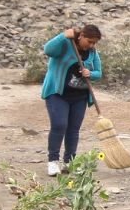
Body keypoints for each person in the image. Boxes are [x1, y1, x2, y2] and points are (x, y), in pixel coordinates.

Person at [40, 25, 103, 177]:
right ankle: (53, 161)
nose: (92, 45)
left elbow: (99, 73)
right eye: (89, 41)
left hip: (79, 97)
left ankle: (69, 162)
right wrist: (62, 36)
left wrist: (91, 73)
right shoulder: (66, 44)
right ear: (80, 36)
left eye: (94, 43)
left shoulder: (92, 53)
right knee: (59, 125)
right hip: (57, 93)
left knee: (73, 129)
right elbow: (48, 50)